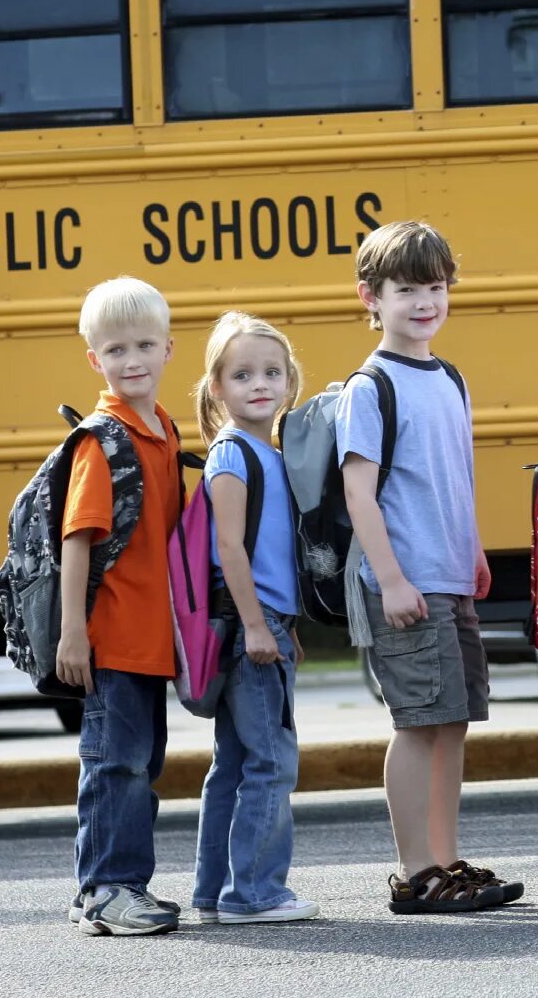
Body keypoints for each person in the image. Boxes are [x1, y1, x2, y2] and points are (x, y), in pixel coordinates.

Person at [335, 220, 519, 914]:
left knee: (452, 721)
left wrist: (470, 552)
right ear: (370, 297)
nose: (423, 302)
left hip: (447, 576)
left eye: (434, 287)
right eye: (405, 289)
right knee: (416, 722)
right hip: (404, 581)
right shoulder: (371, 385)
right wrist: (391, 579)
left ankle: (446, 860)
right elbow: (360, 490)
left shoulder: (449, 377)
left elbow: (452, 476)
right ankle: (416, 871)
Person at [56, 276, 182, 935]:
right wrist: (73, 633)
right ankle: (105, 889)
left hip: (148, 636)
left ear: (168, 349)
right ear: (93, 360)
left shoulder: (161, 428)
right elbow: (79, 538)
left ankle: (123, 883)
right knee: (115, 763)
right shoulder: (102, 440)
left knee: (140, 763)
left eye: (143, 346)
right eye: (114, 350)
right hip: (111, 635)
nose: (130, 360)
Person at [190, 312, 320, 925]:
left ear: (289, 379)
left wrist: (284, 623)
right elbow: (230, 551)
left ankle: (214, 892)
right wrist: (260, 625)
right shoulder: (232, 456)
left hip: (266, 620)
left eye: (271, 371)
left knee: (237, 764)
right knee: (272, 762)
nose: (259, 384)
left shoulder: (267, 452)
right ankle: (256, 894)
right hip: (249, 624)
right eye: (242, 374)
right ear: (217, 387)